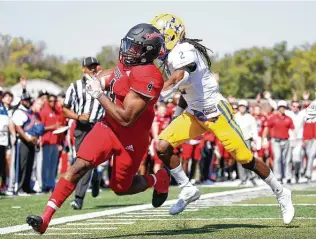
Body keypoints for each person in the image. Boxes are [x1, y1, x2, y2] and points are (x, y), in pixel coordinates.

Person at [26, 23, 170, 234]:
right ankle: (45, 219)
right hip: (108, 127)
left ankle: (158, 179)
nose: (128, 50)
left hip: (131, 136)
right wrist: (101, 81)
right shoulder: (127, 61)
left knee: (120, 188)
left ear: (147, 53)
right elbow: (118, 74)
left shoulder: (150, 76)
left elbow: (126, 119)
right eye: (129, 44)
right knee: (79, 166)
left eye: (135, 47)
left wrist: (99, 95)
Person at [151, 13, 294, 224]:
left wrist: (158, 93)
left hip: (216, 113)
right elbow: (186, 90)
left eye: (159, 38)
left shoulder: (184, 51)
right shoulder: (173, 57)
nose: (156, 44)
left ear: (171, 35)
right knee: (162, 146)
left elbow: (179, 77)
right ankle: (188, 188)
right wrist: (177, 115)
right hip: (194, 114)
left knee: (246, 159)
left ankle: (281, 192)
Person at [62, 56, 104, 210]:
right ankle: (79, 198)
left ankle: (95, 177)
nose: (92, 69)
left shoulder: (103, 84)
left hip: (99, 127)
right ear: (83, 68)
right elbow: (64, 109)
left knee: (94, 161)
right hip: (82, 127)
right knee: (83, 162)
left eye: (94, 66)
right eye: (89, 66)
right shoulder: (75, 86)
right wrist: (78, 116)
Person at [12, 93, 44, 194]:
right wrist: (27, 138)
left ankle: (26, 187)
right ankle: (20, 187)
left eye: (29, 100)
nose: (28, 101)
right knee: (22, 165)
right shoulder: (19, 112)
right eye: (26, 100)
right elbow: (18, 128)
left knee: (29, 165)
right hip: (23, 141)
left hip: (31, 141)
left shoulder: (29, 112)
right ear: (21, 101)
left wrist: (34, 140)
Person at [39, 94, 61, 192]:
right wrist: (52, 127)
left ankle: (51, 184)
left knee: (53, 165)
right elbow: (41, 127)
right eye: (51, 101)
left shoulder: (56, 111)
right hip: (47, 141)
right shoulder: (44, 111)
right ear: (47, 101)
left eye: (54, 101)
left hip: (55, 141)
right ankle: (45, 185)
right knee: (46, 165)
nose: (53, 103)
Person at [234, 100, 258, 186]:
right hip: (237, 140)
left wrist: (255, 139)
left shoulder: (250, 117)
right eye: (240, 106)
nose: (242, 108)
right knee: (240, 159)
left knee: (248, 159)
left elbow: (254, 129)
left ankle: (251, 177)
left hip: (247, 139)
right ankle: (242, 179)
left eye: (243, 106)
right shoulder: (235, 117)